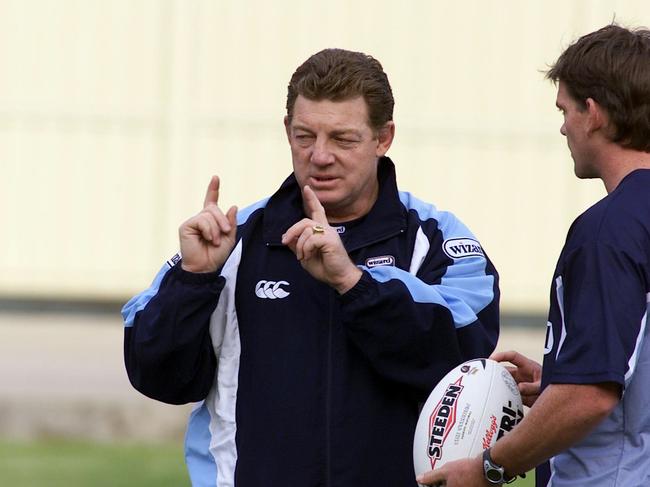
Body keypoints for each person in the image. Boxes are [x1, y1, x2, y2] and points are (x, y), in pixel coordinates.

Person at [122, 48, 500, 487]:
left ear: (384, 138)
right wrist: (194, 281)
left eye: (343, 139)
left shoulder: (435, 240)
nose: (320, 156)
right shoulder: (231, 239)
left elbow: (461, 354)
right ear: (287, 131)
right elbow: (158, 376)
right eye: (305, 137)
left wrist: (354, 285)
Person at [417, 23, 650, 487]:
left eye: (565, 109)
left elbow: (591, 396)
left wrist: (489, 467)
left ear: (594, 112)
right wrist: (559, 378)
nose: (563, 126)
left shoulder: (608, 231)